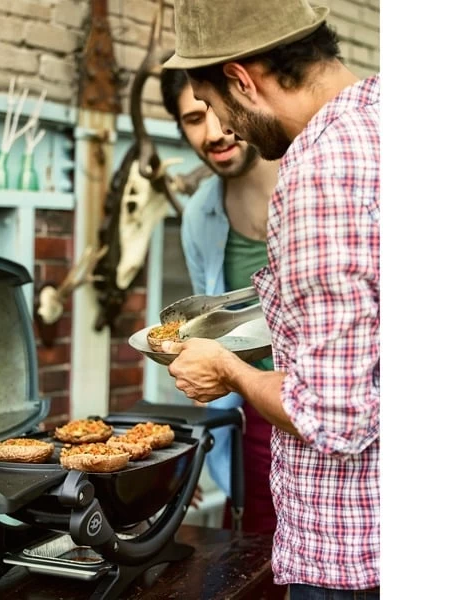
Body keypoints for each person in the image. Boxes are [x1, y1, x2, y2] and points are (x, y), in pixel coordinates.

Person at [162, 1, 380, 598]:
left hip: (350, 554)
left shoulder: (319, 170)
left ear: (241, 79)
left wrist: (228, 369)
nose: (221, 127)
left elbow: (333, 416)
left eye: (212, 104)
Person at [160, 67, 281, 538]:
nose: (213, 131)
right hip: (255, 419)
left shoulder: (312, 183)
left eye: (216, 108)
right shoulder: (200, 216)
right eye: (194, 118)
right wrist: (184, 452)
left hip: (337, 407)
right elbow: (204, 335)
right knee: (255, 557)